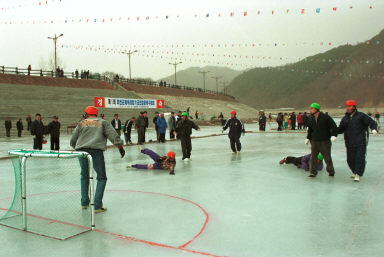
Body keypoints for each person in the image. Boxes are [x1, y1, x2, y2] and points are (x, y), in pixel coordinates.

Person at [70, 106, 125, 214]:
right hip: (96, 151)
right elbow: (113, 135)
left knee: (84, 176)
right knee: (101, 177)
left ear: (86, 113)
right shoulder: (103, 122)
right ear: (96, 114)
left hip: (82, 151)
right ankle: (97, 206)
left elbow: (73, 140)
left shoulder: (81, 123)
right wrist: (120, 147)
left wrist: (76, 147)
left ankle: (84, 203)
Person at [337, 100, 378, 182]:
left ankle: (358, 174)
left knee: (359, 158)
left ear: (354, 107)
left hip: (360, 142)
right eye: (347, 107)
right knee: (350, 160)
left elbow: (372, 122)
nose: (347, 108)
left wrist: (374, 129)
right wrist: (333, 133)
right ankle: (355, 171)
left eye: (349, 106)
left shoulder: (361, 116)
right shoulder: (345, 119)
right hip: (349, 142)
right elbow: (340, 129)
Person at [305, 103, 338, 178]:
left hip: (325, 141)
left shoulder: (326, 117)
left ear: (316, 109)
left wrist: (334, 135)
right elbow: (310, 130)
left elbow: (334, 126)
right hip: (315, 141)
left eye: (312, 108)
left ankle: (331, 171)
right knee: (313, 157)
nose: (310, 110)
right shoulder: (311, 119)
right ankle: (313, 172)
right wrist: (308, 138)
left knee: (327, 157)